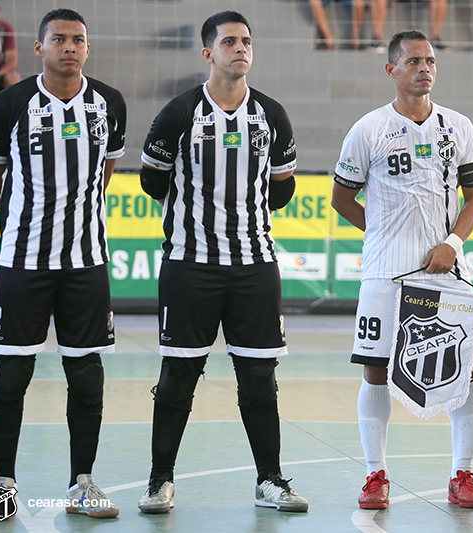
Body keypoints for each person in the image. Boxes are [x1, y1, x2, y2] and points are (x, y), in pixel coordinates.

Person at [137, 11, 308, 514]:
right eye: (229, 41)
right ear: (208, 52)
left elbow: (283, 189)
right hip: (190, 264)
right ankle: (159, 481)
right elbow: (152, 180)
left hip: (254, 265)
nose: (241, 48)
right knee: (178, 377)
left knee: (258, 377)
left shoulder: (271, 115)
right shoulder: (180, 112)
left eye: (247, 41)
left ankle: (270, 480)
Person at [0, 8, 126, 520]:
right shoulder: (10, 103)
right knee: (12, 374)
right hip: (23, 261)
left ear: (88, 48)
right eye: (58, 39)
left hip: (85, 263)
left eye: (78, 40)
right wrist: (27, 216)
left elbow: (105, 172)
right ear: (38, 48)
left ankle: (82, 483)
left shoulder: (110, 103)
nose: (69, 47)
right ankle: (3, 486)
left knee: (85, 375)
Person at [331, 30, 473, 509]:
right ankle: (375, 476)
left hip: (444, 273)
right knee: (376, 372)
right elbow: (341, 198)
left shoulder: (458, 126)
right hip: (383, 275)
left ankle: (463, 474)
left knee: (466, 371)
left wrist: (452, 242)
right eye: (414, 61)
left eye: (431, 61)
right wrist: (380, 234)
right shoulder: (368, 129)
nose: (425, 68)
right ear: (392, 69)